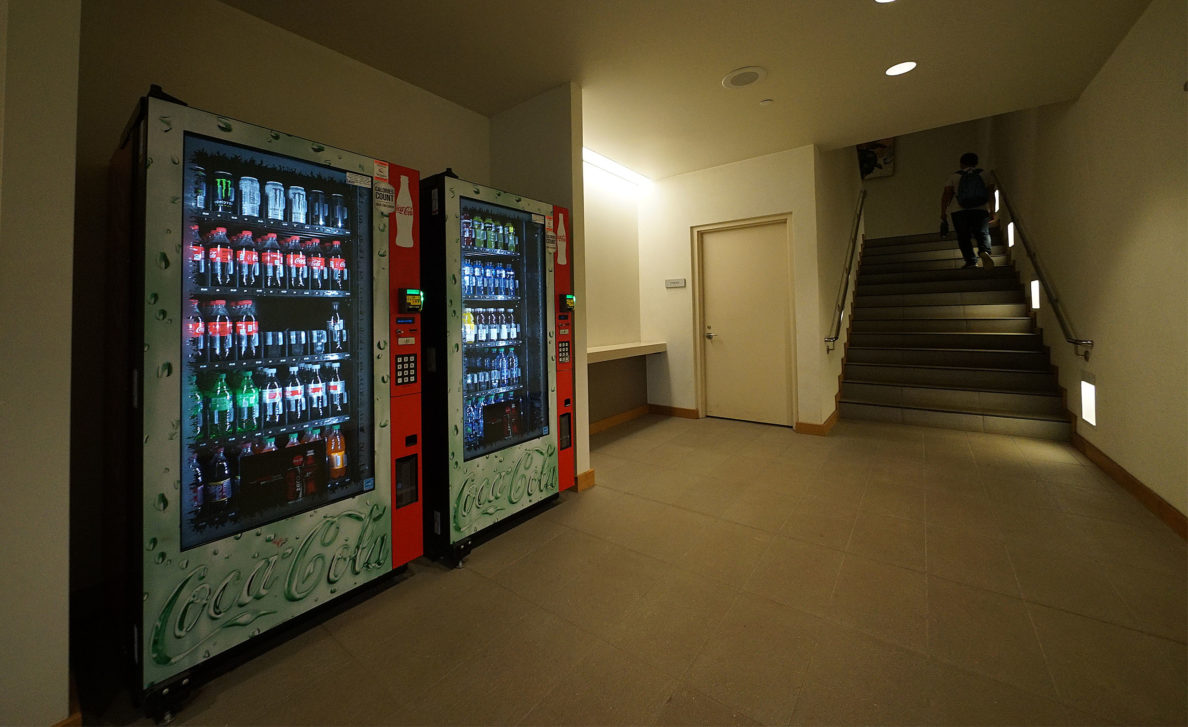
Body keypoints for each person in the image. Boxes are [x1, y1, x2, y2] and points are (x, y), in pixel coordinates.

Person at [940, 153, 997, 269]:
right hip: (980, 209)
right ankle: (984, 251)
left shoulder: (954, 176)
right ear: (976, 163)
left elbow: (946, 195)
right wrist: (992, 210)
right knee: (982, 232)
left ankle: (971, 261)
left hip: (959, 211)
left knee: (963, 236)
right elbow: (991, 193)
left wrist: (943, 212)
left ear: (961, 164)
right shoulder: (985, 174)